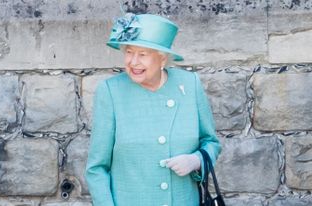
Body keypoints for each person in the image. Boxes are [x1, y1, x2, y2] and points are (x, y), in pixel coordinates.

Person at [85, 13, 222, 206]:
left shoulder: (190, 85)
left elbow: (211, 143)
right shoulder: (110, 92)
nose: (133, 62)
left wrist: (196, 160)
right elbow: (97, 168)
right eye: (129, 52)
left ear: (162, 59)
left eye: (142, 54)